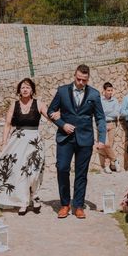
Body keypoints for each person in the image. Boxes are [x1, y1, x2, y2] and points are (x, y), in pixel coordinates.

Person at [0, 78, 48, 215]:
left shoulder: (39, 104)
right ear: (19, 90)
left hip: (34, 143)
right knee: (20, 172)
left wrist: (62, 119)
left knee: (34, 172)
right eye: (22, 87)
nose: (25, 89)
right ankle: (23, 201)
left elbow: (52, 116)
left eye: (28, 87)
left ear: (32, 90)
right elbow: (7, 124)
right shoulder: (14, 105)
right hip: (17, 142)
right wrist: (4, 142)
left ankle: (34, 196)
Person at [48, 64, 106, 219]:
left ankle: (78, 205)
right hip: (65, 138)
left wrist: (101, 139)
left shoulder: (94, 94)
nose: (81, 82)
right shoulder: (62, 91)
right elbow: (50, 111)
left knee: (81, 174)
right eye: (79, 79)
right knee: (62, 168)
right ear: (75, 76)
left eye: (84, 80)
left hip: (85, 139)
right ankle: (65, 204)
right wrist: (62, 124)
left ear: (88, 79)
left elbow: (100, 117)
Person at [98, 82, 121, 174]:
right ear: (104, 91)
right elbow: (100, 113)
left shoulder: (115, 100)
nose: (110, 92)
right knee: (106, 144)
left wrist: (106, 112)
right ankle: (115, 160)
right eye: (108, 90)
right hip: (102, 124)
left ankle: (107, 166)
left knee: (109, 145)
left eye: (111, 90)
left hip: (112, 124)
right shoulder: (100, 100)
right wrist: (110, 111)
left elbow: (116, 113)